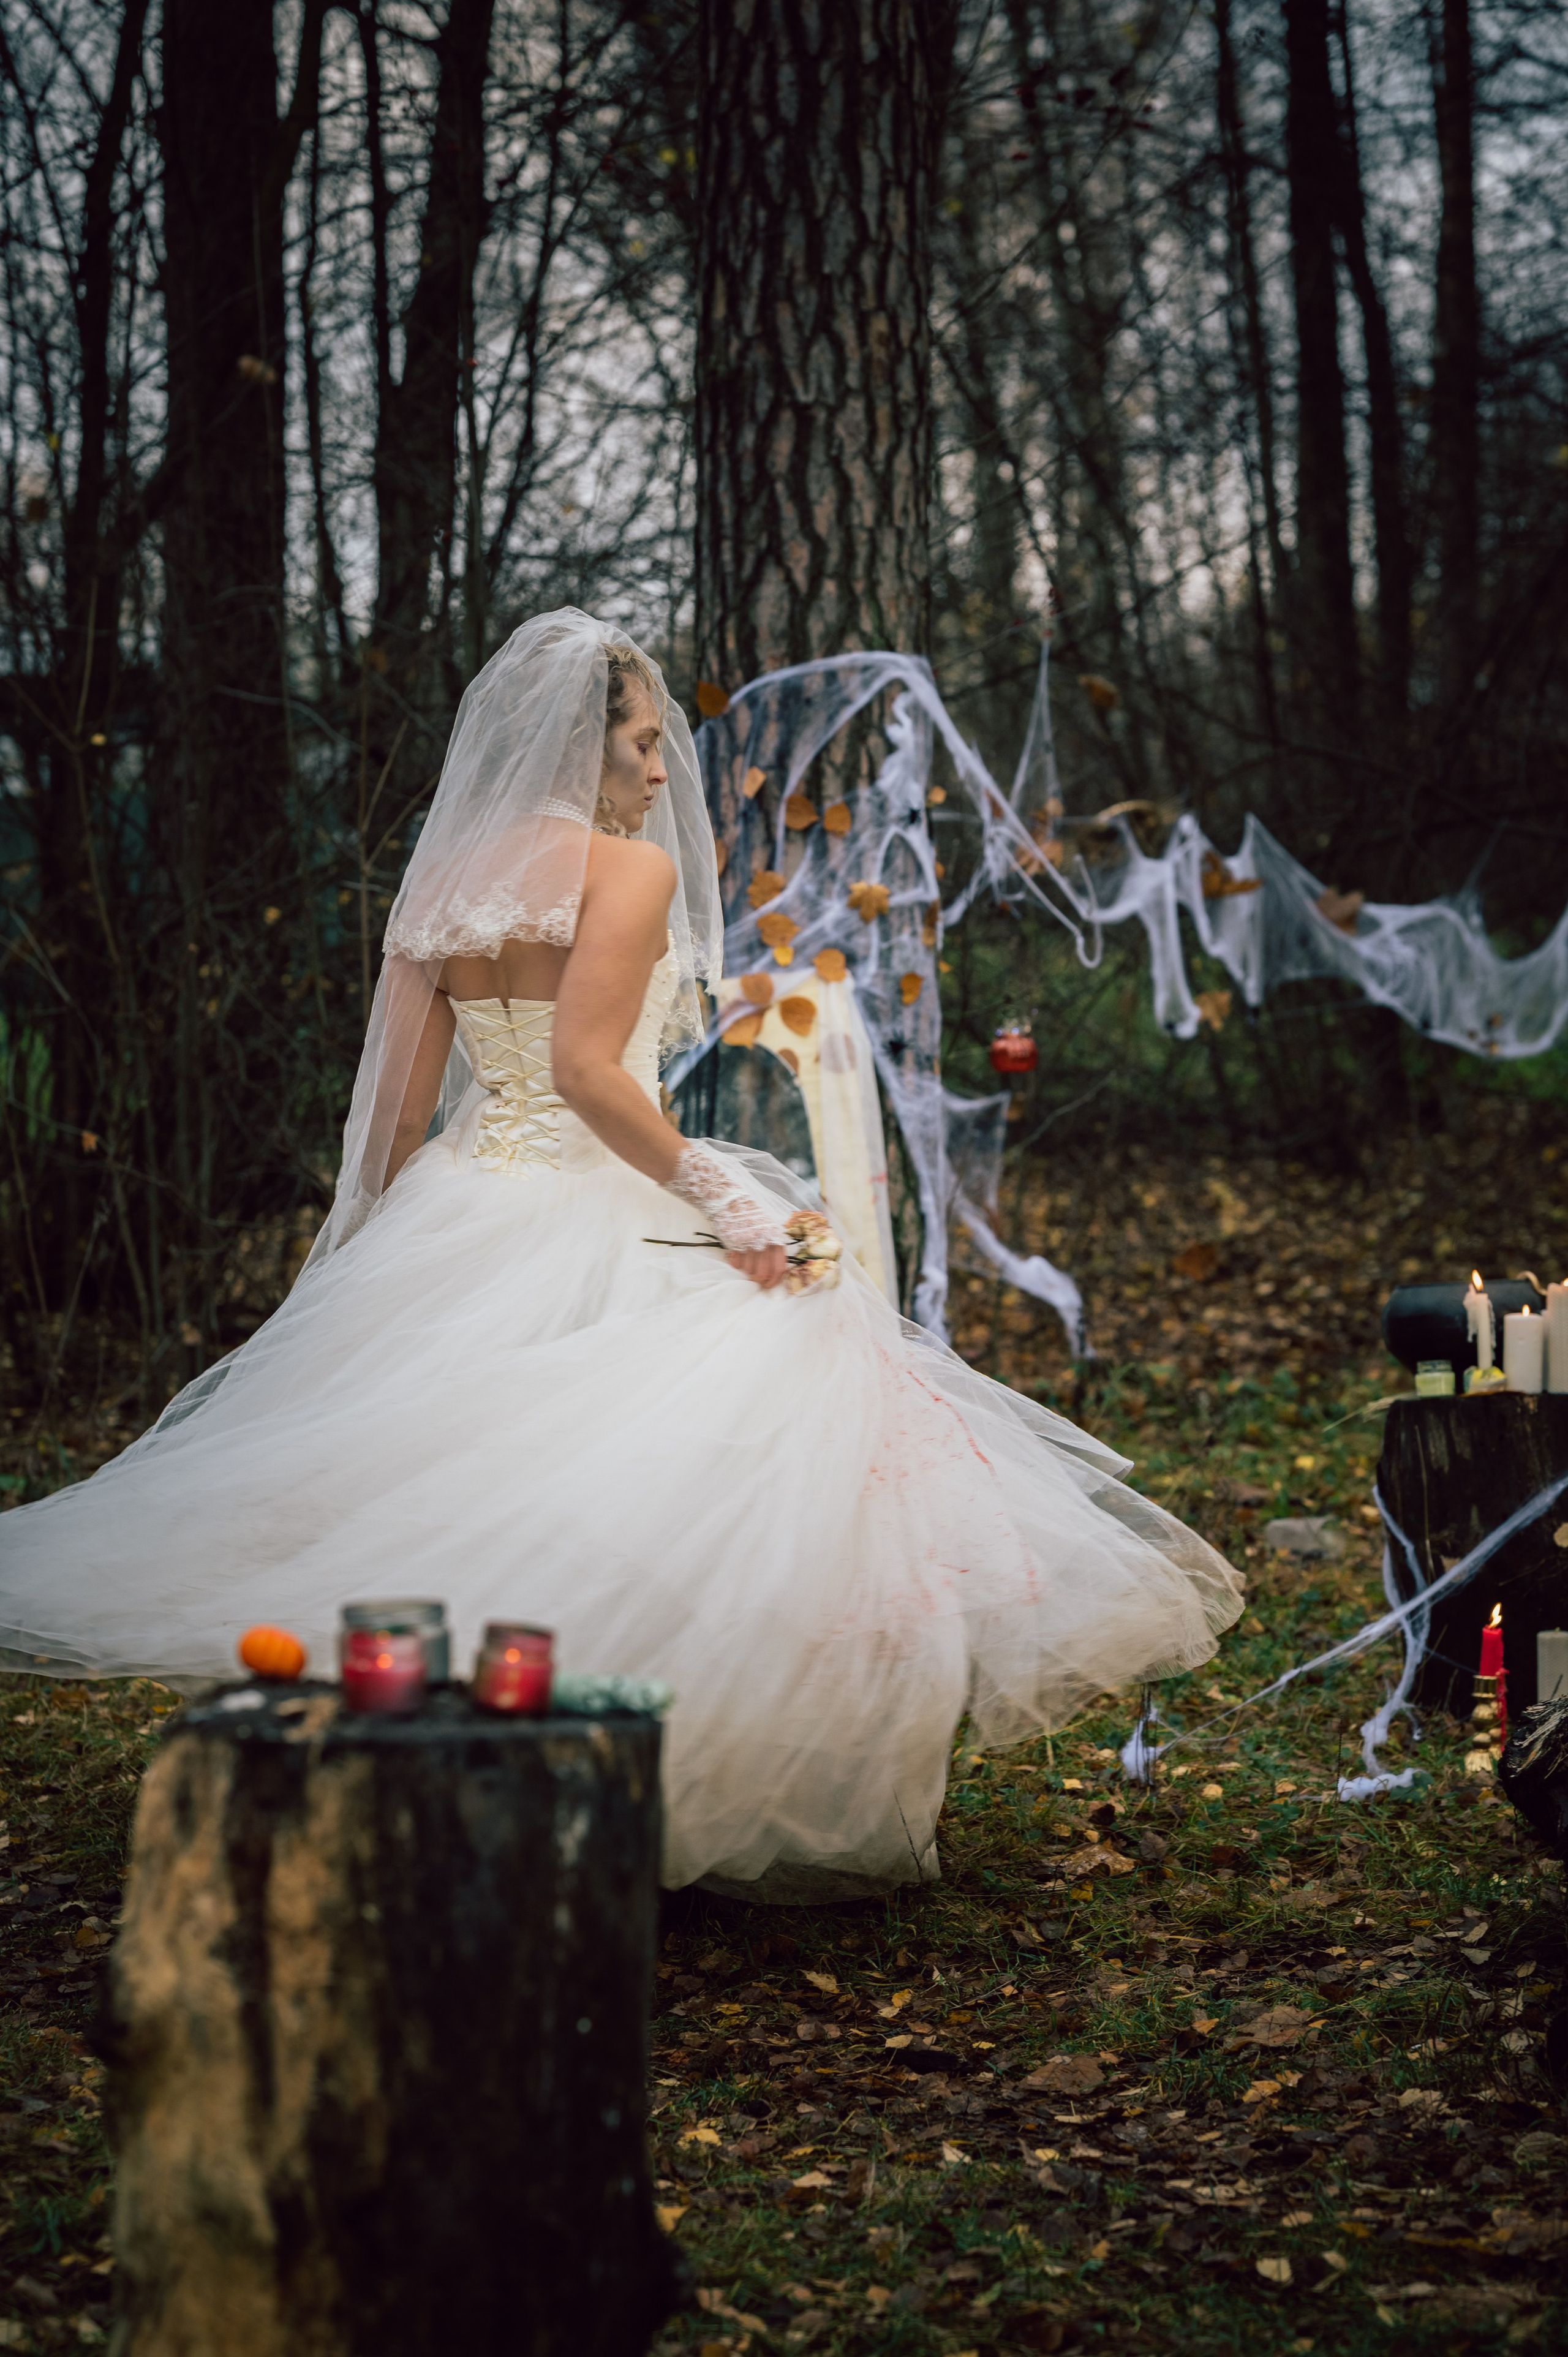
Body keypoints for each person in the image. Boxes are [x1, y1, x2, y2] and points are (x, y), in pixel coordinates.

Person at [0, 610, 1242, 1901]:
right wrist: (727, 1198)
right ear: (576, 744)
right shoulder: (623, 873)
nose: (662, 774)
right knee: (718, 1430)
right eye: (645, 744)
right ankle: (648, 1784)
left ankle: (443, 1786)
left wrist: (361, 1266)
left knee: (451, 1501)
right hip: (591, 1196)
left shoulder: (448, 874)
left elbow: (389, 1116)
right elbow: (592, 1075)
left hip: (461, 1205)